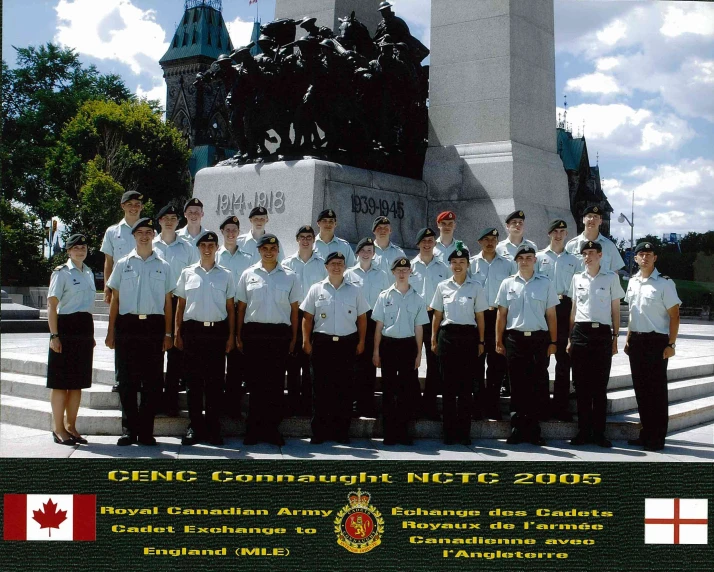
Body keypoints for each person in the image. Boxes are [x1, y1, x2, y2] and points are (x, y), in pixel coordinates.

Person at [105, 218, 174, 446]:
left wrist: (168, 333)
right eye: (140, 232)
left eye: (148, 232)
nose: (144, 236)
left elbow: (167, 302)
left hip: (153, 326)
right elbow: (115, 299)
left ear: (153, 235)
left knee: (152, 382)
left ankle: (145, 431)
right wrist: (111, 331)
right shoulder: (123, 263)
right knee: (127, 381)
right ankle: (128, 430)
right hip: (127, 326)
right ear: (133, 236)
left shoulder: (163, 265)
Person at [236, 234, 300, 446]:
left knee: (274, 385)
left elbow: (294, 310)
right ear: (259, 250)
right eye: (265, 248)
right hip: (254, 334)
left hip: (279, 335)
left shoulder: (290, 276)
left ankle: (272, 429)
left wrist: (293, 338)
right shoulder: (248, 274)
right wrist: (238, 334)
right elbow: (241, 308)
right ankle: (253, 429)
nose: (269, 252)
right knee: (255, 384)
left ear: (278, 250)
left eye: (273, 248)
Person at [175, 231, 236, 446]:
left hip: (217, 333)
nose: (207, 249)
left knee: (214, 383)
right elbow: (180, 305)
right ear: (198, 248)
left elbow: (230, 307)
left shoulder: (226, 275)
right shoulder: (187, 273)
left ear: (217, 247)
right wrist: (177, 332)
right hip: (192, 332)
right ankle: (195, 426)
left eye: (211, 245)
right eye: (203, 245)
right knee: (193, 383)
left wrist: (231, 336)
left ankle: (213, 427)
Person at [301, 252, 369, 444]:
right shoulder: (316, 289)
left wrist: (362, 341)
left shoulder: (355, 291)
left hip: (347, 344)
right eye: (333, 264)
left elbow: (362, 319)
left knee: (344, 390)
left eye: (340, 263)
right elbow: (307, 318)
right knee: (320, 390)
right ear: (326, 267)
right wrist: (306, 341)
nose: (336, 267)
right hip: (322, 344)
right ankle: (319, 432)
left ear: (345, 267)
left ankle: (341, 431)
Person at [495, 244, 559, 446]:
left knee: (537, 385)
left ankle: (534, 430)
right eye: (521, 258)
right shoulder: (507, 284)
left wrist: (553, 341)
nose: (525, 261)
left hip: (538, 340)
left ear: (535, 260)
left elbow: (551, 315)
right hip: (514, 339)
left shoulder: (546, 283)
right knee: (517, 385)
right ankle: (516, 428)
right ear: (516, 261)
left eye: (529, 257)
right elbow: (501, 315)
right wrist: (498, 340)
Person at [567, 241, 624, 447]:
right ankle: (583, 432)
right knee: (581, 387)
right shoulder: (576, 278)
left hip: (601, 334)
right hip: (580, 333)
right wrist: (569, 338)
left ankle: (599, 433)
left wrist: (615, 337)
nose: (588, 256)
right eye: (585, 253)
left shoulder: (611, 278)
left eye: (592, 252)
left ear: (600, 255)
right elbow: (574, 309)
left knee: (599, 387)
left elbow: (615, 309)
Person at [624, 241, 681, 451]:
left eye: (649, 254)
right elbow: (632, 313)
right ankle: (645, 434)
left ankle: (657, 438)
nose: (645, 258)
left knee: (656, 393)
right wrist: (628, 338)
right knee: (641, 391)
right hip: (637, 342)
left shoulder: (665, 284)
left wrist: (671, 344)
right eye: (641, 254)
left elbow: (675, 316)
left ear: (655, 258)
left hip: (657, 342)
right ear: (636, 258)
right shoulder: (632, 283)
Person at [430, 243, 487, 445]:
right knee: (448, 387)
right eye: (454, 262)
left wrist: (481, 341)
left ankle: (463, 433)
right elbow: (437, 314)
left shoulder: (476, 287)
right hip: (447, 337)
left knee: (465, 389)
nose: (457, 265)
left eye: (462, 262)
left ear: (468, 265)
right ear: (449, 265)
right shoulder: (442, 286)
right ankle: (449, 433)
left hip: (469, 338)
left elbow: (480, 317)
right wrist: (433, 337)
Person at [373, 257, 429, 445]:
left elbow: (419, 328)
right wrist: (375, 351)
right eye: (399, 270)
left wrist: (419, 354)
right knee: (389, 391)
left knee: (406, 391)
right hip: (388, 345)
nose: (402, 273)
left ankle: (404, 433)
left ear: (410, 272)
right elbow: (379, 326)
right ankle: (389, 433)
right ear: (393, 272)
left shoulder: (418, 298)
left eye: (406, 270)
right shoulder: (384, 296)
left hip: (408, 346)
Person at [46, 234, 95, 445]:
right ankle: (58, 429)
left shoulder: (89, 272)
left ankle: (71, 427)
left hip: (84, 329)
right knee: (60, 384)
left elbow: (86, 307)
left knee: (77, 384)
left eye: (83, 247)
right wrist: (54, 335)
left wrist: (90, 336)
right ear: (68, 251)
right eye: (76, 248)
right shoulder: (61, 273)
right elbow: (51, 305)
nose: (80, 251)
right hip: (65, 329)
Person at [153, 204, 198, 416]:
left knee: (176, 354)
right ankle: (152, 400)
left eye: (173, 217)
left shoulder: (188, 248)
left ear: (178, 222)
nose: (169, 221)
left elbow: (192, 276)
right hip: (154, 305)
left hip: (178, 302)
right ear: (159, 221)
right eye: (165, 218)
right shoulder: (150, 245)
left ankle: (170, 402)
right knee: (153, 354)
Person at [282, 225, 328, 416]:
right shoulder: (286, 263)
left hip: (314, 317)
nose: (306, 240)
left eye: (309, 237)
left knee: (311, 363)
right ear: (297, 239)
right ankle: (293, 403)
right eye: (302, 237)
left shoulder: (321, 264)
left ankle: (308, 405)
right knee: (293, 363)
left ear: (313, 240)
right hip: (293, 315)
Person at [536, 219, 579, 421]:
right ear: (549, 234)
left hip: (565, 307)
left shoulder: (574, 260)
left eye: (562, 231)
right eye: (555, 231)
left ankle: (561, 408)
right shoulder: (538, 258)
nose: (559, 235)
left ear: (566, 234)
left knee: (563, 361)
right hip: (544, 309)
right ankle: (541, 406)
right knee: (541, 360)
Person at [100, 190, 143, 392]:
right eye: (130, 204)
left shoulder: (149, 230)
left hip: (143, 286)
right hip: (121, 286)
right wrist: (107, 286)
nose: (134, 207)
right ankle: (121, 377)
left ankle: (141, 377)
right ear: (123, 206)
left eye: (138, 204)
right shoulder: (112, 231)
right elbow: (108, 262)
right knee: (121, 332)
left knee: (142, 334)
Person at [469, 228, 513, 419]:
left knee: (497, 364)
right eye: (485, 239)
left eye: (493, 239)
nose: (489, 242)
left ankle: (493, 406)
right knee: (476, 364)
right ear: (479, 242)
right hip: (477, 318)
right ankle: (477, 407)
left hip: (498, 317)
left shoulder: (507, 265)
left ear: (498, 241)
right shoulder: (471, 264)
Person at [345, 237, 391, 418]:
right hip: (353, 321)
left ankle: (367, 404)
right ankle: (353, 405)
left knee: (370, 365)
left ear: (374, 254)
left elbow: (387, 299)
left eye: (370, 250)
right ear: (357, 253)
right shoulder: (348, 274)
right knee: (353, 365)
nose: (366, 253)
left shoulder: (381, 275)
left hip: (374, 321)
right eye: (363, 250)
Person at [409, 227, 449, 420]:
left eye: (431, 240)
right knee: (413, 361)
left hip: (435, 317)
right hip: (415, 318)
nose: (427, 244)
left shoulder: (443, 268)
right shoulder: (410, 267)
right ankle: (414, 403)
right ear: (418, 244)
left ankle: (430, 405)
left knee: (435, 363)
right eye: (424, 241)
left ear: (435, 243)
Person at [216, 215, 253, 418]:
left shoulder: (248, 259)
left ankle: (233, 406)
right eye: (228, 230)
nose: (231, 233)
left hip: (240, 312)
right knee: (216, 363)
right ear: (222, 232)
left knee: (237, 364)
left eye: (235, 230)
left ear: (239, 233)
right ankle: (216, 406)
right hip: (219, 312)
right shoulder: (215, 256)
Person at [565, 205, 625, 272]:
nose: (592, 219)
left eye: (596, 217)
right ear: (583, 220)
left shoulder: (610, 246)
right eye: (589, 216)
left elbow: (615, 274)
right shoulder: (571, 245)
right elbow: (564, 271)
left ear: (600, 221)